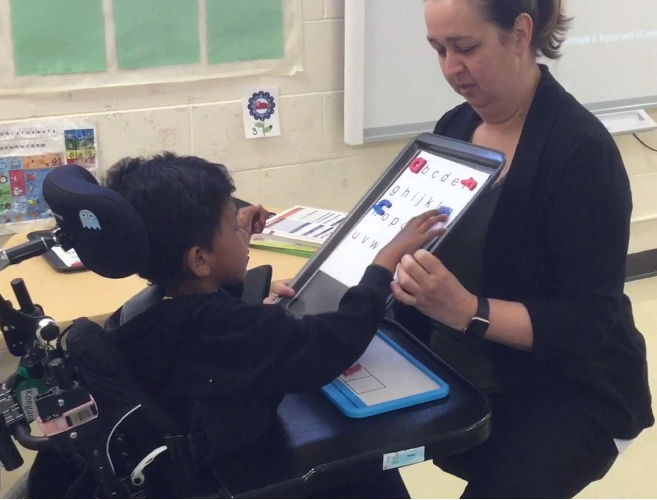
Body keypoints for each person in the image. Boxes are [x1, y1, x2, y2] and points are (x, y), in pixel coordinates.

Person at [388, 0, 653, 497]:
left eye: (465, 47)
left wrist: (468, 311)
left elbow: (586, 323)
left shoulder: (580, 152)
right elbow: (412, 241)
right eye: (438, 50)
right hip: (473, 364)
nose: (450, 68)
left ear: (518, 34)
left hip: (572, 388)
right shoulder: (454, 128)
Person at [102, 152, 449, 498]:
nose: (242, 231)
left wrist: (239, 266)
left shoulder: (145, 313)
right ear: (200, 259)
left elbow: (213, 318)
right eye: (232, 227)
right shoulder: (239, 331)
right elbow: (335, 342)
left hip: (195, 462)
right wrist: (383, 262)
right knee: (375, 472)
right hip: (243, 473)